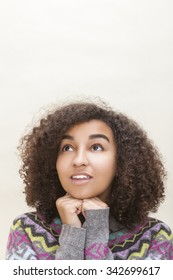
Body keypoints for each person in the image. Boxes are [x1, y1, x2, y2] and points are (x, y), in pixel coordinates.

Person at [6, 99, 173, 260]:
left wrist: (96, 228)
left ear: (122, 161)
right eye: (67, 148)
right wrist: (71, 232)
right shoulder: (26, 229)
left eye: (96, 147)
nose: (78, 160)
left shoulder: (155, 236)